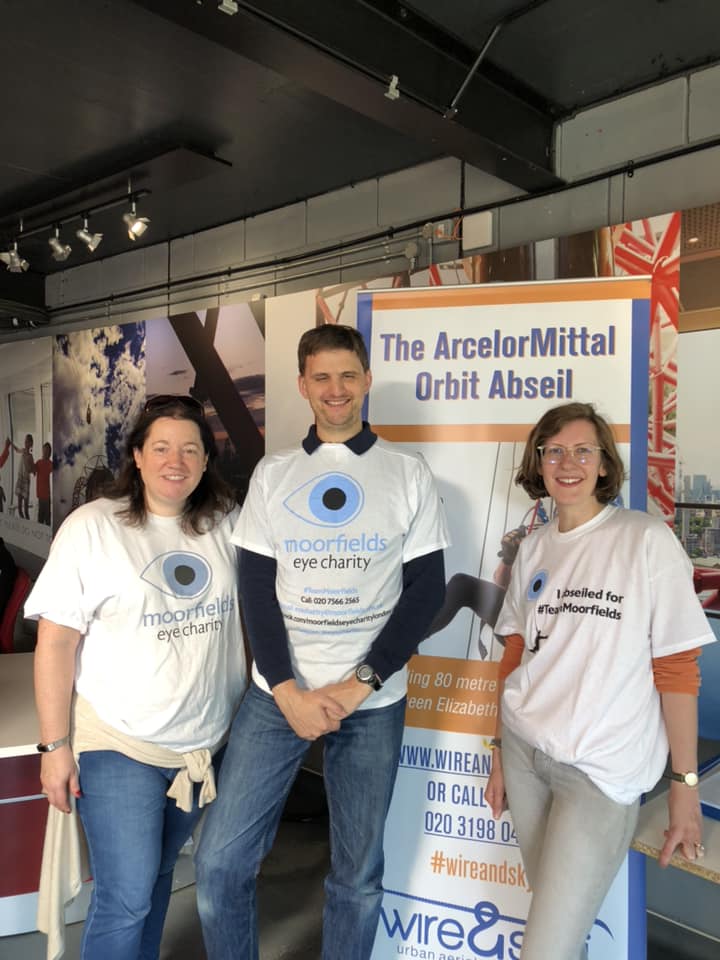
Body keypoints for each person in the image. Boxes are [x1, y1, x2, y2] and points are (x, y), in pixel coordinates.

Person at [195, 323, 449, 960]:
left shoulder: (407, 473)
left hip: (373, 702)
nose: (336, 390)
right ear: (304, 386)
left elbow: (426, 592)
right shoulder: (274, 475)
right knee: (221, 864)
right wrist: (286, 690)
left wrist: (359, 683)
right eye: (322, 377)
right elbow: (255, 585)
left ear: (366, 380)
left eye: (348, 375)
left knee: (357, 878)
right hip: (276, 698)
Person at [486, 401, 716, 960]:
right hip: (524, 752)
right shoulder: (536, 546)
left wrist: (684, 786)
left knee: (546, 947)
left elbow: (677, 670)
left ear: (605, 464)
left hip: (600, 772)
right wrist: (497, 750)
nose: (568, 463)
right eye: (554, 451)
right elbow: (515, 651)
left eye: (583, 450)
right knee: (559, 929)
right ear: (538, 463)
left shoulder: (645, 540)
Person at [26, 395, 247, 960]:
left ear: (205, 461)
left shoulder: (226, 523)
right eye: (163, 447)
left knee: (152, 885)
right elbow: (56, 641)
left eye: (190, 449)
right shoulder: (93, 527)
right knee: (126, 897)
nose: (177, 461)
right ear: (139, 456)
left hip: (199, 746)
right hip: (120, 742)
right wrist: (55, 746)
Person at [15, 433, 34, 519]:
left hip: (26, 481)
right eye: (25, 441)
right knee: (19, 508)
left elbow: (32, 470)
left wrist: (30, 468)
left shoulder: (30, 456)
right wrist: (10, 443)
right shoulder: (22, 451)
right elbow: (16, 449)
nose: (26, 443)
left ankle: (27, 524)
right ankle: (23, 523)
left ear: (31, 444)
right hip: (20, 479)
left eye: (27, 442)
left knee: (26, 509)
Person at [35, 441, 54, 525]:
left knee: (47, 519)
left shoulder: (50, 464)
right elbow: (32, 469)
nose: (46, 453)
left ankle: (48, 537)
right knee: (40, 518)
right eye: (45, 450)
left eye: (48, 451)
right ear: (42, 451)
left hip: (47, 496)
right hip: (40, 496)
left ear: (50, 453)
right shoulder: (38, 463)